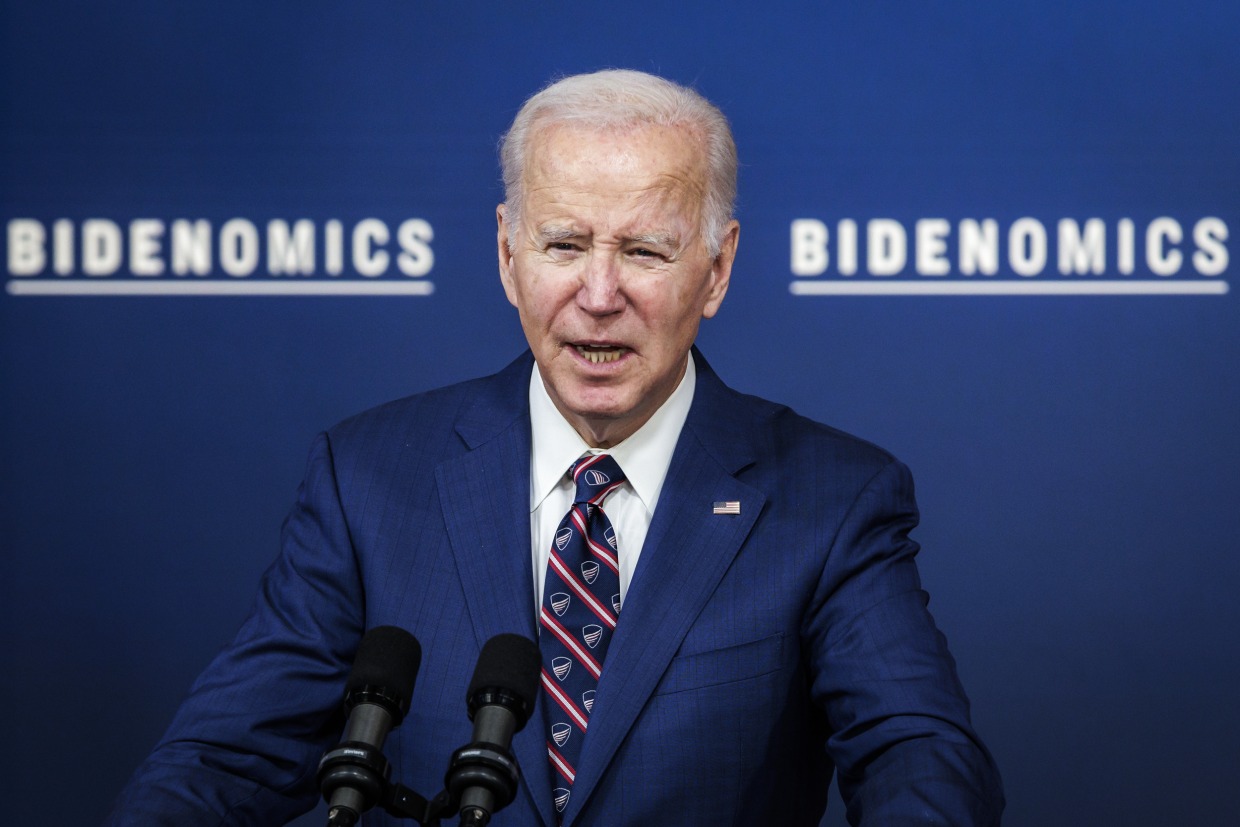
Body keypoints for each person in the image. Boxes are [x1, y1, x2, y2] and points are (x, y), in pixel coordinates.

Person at [106, 69, 1003, 826]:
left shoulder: (831, 497)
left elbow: (917, 756)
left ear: (717, 270)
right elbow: (221, 758)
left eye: (646, 250)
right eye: (564, 243)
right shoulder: (369, 477)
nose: (599, 292)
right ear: (506, 253)